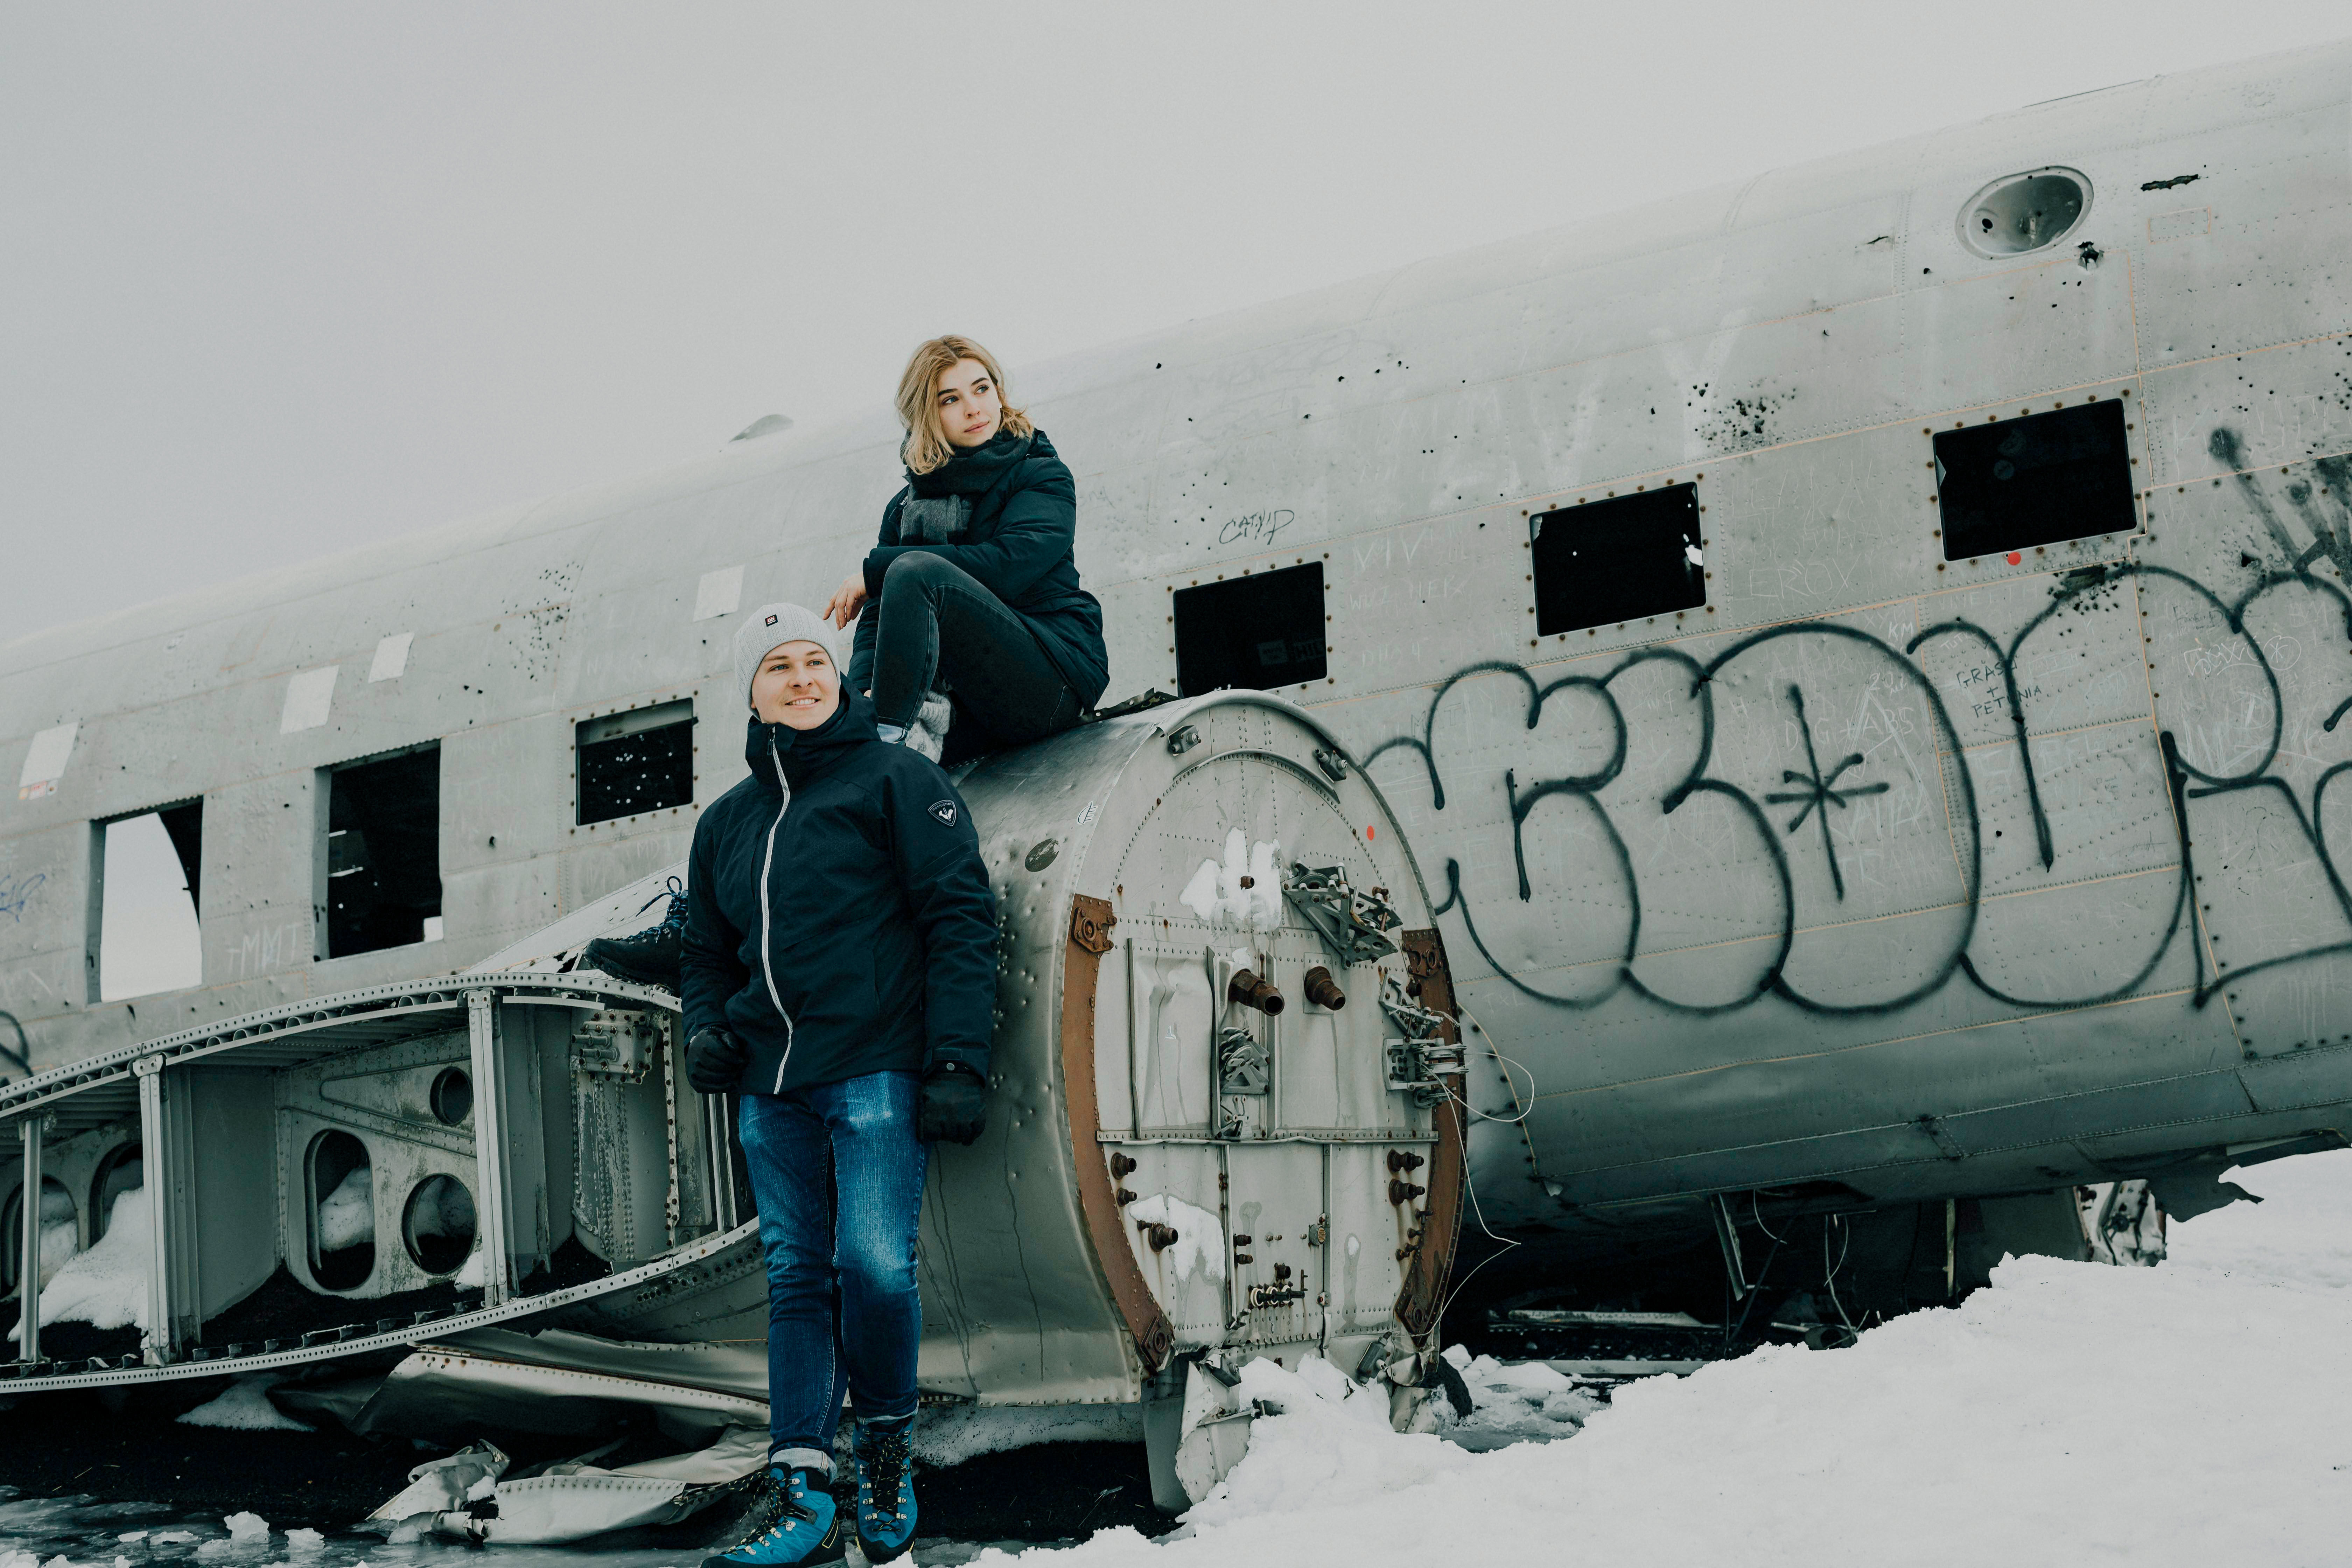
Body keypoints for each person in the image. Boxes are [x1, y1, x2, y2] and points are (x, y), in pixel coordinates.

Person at [681, 602, 998, 1568]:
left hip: (873, 1066)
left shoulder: (898, 780)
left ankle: (886, 1452)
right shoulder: (726, 823)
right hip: (771, 1084)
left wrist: (957, 1061)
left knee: (873, 1265)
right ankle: (803, 1493)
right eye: (778, 667)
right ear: (752, 696)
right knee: (795, 1279)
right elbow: (707, 950)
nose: (803, 679)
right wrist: (705, 1025)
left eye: (815, 662)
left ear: (841, 678)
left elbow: (960, 916)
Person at [823, 335, 1109, 764]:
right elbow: (879, 620)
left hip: (1050, 681)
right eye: (950, 399)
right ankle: (876, 740)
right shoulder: (903, 509)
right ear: (926, 414)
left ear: (998, 392)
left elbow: (1007, 565)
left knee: (914, 573)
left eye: (981, 389)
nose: (974, 408)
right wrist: (865, 691)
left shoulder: (1041, 475)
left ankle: (886, 753)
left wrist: (877, 571)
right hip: (966, 707)